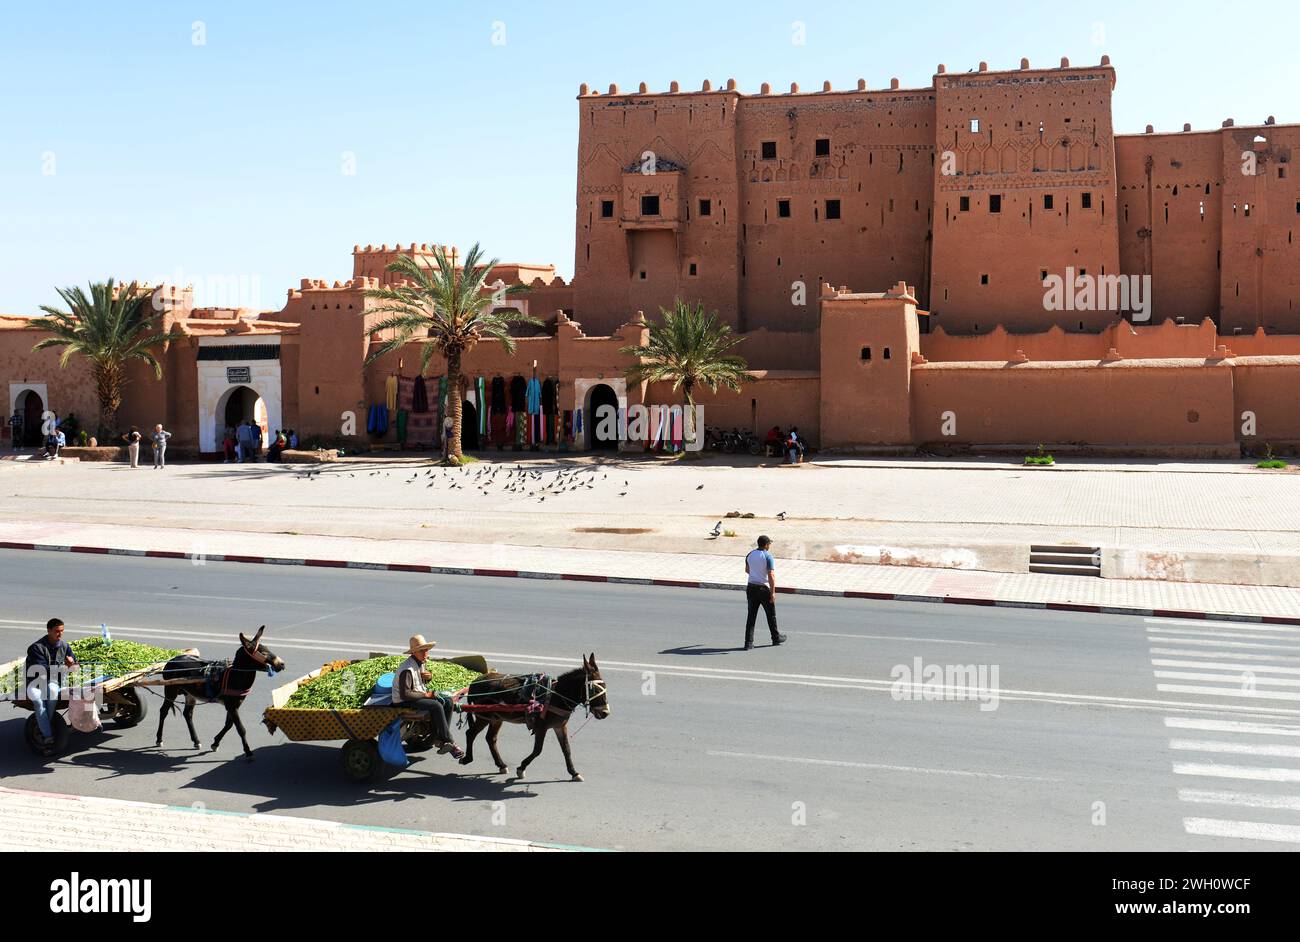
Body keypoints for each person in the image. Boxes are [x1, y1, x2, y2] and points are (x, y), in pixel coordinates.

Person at [391, 634, 464, 759]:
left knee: (448, 702)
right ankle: (449, 741)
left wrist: (428, 678)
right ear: (414, 652)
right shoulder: (407, 669)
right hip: (403, 701)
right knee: (436, 706)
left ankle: (441, 738)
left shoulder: (420, 663)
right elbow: (405, 694)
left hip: (416, 696)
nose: (426, 653)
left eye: (426, 650)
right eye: (422, 650)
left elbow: (419, 683)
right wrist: (426, 695)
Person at [25, 618, 77, 755]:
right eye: (57, 632)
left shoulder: (65, 647)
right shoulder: (36, 648)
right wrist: (65, 666)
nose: (60, 635)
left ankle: (45, 727)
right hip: (35, 681)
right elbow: (42, 671)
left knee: (53, 690)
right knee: (37, 699)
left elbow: (76, 666)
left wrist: (72, 664)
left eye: (62, 631)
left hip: (53, 682)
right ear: (48, 631)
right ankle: (48, 735)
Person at [743, 535, 787, 650]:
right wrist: (772, 592)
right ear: (766, 545)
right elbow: (771, 575)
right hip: (763, 589)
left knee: (751, 616)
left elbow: (747, 570)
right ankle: (775, 637)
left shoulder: (750, 554)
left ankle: (748, 642)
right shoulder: (768, 556)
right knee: (771, 615)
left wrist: (755, 574)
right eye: (769, 544)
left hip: (751, 587)